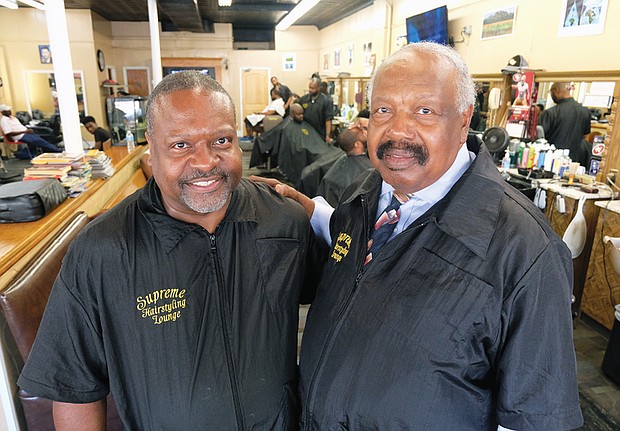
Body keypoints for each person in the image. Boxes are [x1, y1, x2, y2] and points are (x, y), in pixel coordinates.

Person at [257, 42, 583, 430]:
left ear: (464, 122)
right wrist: (310, 211)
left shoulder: (525, 252)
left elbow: (534, 419)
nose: (397, 131)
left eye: (424, 111)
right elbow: (369, 256)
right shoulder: (366, 192)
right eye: (383, 110)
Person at [17, 71, 315, 429]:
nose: (205, 162)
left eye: (221, 140)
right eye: (181, 145)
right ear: (151, 146)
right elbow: (74, 388)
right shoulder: (101, 252)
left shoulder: (284, 220)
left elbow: (333, 311)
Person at [539, 81, 591, 166]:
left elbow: (540, 139)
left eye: (550, 92)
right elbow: (586, 136)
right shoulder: (585, 112)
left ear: (556, 91)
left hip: (550, 161)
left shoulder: (550, 113)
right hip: (574, 162)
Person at [316, 128, 372, 207]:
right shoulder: (369, 169)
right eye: (363, 133)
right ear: (357, 144)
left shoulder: (340, 163)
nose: (366, 133)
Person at [296, 77, 333, 142]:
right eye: (309, 87)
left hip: (319, 133)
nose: (310, 90)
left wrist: (327, 135)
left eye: (312, 88)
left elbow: (328, 120)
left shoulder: (326, 101)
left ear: (318, 88)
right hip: (306, 132)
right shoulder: (304, 99)